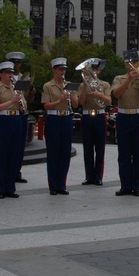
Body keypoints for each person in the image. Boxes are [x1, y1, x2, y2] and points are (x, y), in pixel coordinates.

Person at [112, 50, 139, 197]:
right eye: (129, 62)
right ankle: (125, 186)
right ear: (125, 64)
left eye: (135, 62)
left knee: (138, 153)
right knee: (123, 154)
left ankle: (137, 186)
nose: (132, 65)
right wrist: (128, 80)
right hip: (123, 116)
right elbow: (116, 94)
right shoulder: (119, 78)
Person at [42, 57, 78, 195]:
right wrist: (60, 100)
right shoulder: (48, 86)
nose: (62, 72)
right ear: (54, 70)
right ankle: (53, 185)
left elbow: (75, 105)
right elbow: (46, 105)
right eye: (60, 69)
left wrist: (71, 97)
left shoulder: (69, 85)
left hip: (66, 118)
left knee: (65, 153)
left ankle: (62, 184)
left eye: (64, 69)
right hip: (53, 118)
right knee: (53, 153)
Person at [0, 61, 25, 198]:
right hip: (3, 120)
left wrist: (21, 101)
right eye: (7, 73)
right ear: (1, 74)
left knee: (14, 155)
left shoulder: (16, 88)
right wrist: (12, 101)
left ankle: (11, 187)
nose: (10, 75)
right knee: (3, 154)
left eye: (11, 73)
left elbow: (24, 107)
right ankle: (1, 187)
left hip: (16, 119)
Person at [77, 59, 111, 186]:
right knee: (87, 148)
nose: (94, 72)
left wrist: (100, 95)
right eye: (92, 69)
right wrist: (86, 85)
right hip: (87, 116)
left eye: (96, 70)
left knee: (100, 148)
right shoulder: (82, 85)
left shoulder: (104, 85)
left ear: (99, 71)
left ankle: (98, 176)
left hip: (100, 116)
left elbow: (108, 101)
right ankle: (89, 176)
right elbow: (80, 102)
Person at [6, 51, 31, 184]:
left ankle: (17, 171)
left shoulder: (23, 77)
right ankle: (9, 171)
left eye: (19, 63)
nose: (17, 65)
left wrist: (31, 92)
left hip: (22, 111)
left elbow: (27, 97)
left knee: (21, 144)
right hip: (10, 112)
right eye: (15, 62)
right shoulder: (5, 77)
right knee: (10, 145)